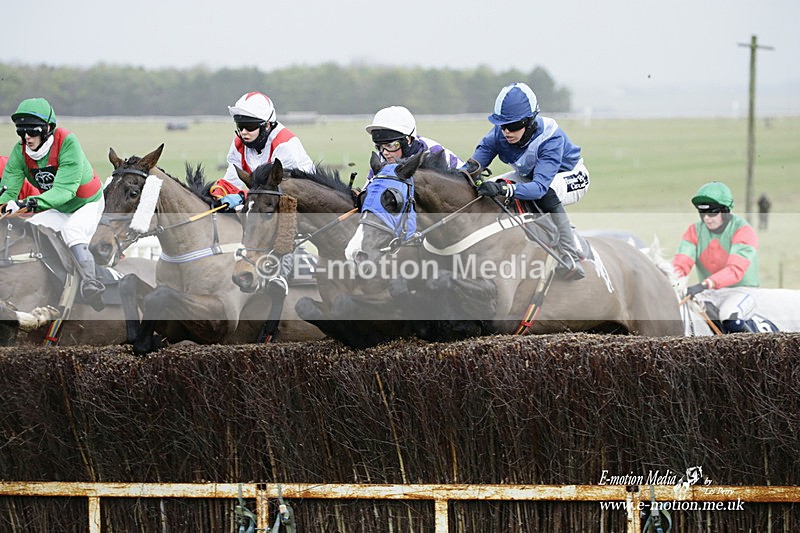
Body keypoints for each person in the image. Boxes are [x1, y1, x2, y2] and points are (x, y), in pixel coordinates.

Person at [467, 82, 589, 280]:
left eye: (514, 126)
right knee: (487, 191)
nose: (506, 132)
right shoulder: (498, 135)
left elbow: (539, 188)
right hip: (532, 176)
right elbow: (471, 168)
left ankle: (570, 253)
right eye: (502, 125)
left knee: (544, 192)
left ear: (530, 121)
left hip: (571, 176)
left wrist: (504, 190)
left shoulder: (550, 137)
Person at [0, 97, 106, 310]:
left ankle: (91, 283)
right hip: (57, 207)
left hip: (86, 203)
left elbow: (64, 191)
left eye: (33, 131)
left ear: (48, 128)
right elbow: (8, 190)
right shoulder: (20, 151)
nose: (27, 137)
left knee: (72, 230)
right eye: (21, 132)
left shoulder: (68, 142)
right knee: (34, 227)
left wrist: (26, 204)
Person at [672, 181, 760, 333]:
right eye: (702, 213)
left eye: (712, 213)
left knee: (730, 318)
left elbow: (735, 270)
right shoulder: (694, 230)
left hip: (741, 291)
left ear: (725, 211)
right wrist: (671, 281)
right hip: (709, 292)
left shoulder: (743, 230)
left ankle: (756, 353)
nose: (706, 218)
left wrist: (706, 284)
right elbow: (681, 263)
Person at [210, 91, 315, 210]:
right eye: (240, 126)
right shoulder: (239, 144)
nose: (244, 132)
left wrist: (242, 196)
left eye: (250, 127)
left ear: (267, 125)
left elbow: (282, 190)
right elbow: (232, 180)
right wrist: (216, 195)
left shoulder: (284, 145)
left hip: (304, 204)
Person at [365, 105, 464, 181]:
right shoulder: (381, 159)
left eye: (390, 145)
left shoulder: (436, 152)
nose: (385, 153)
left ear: (408, 140)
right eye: (379, 146)